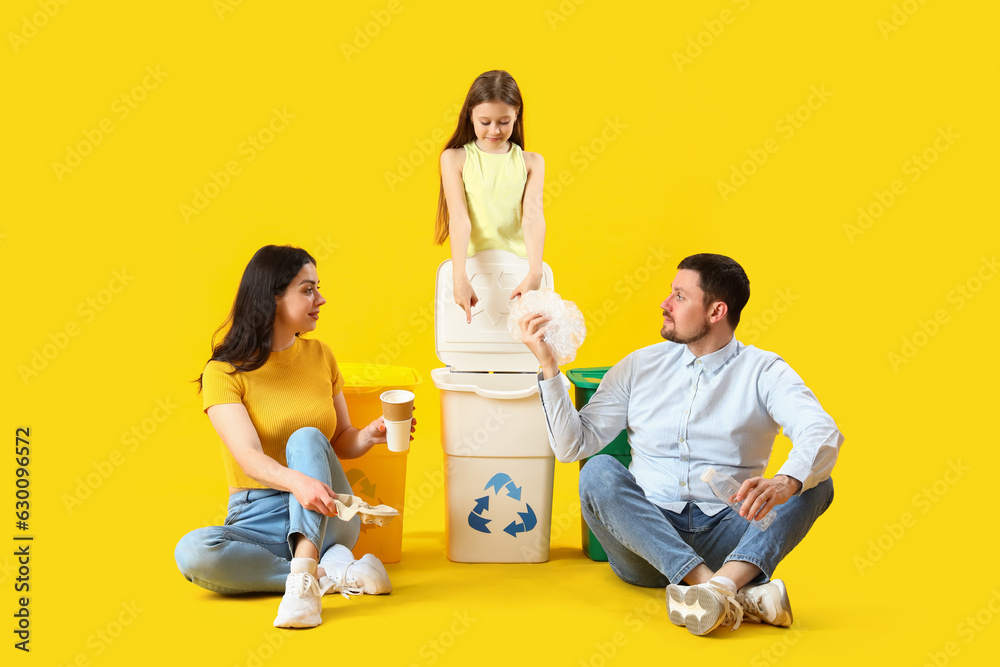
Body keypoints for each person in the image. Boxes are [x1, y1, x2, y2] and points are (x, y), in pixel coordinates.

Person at [518, 253, 842, 636]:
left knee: (814, 481)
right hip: (645, 543)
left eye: (680, 296)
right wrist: (548, 366)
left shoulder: (764, 371)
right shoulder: (640, 366)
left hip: (730, 534)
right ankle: (724, 589)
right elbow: (573, 446)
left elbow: (819, 430)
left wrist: (785, 481)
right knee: (599, 471)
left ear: (716, 311)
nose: (664, 304)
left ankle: (714, 590)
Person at [174, 245, 415, 629]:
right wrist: (295, 482)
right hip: (258, 517)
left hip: (328, 510)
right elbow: (249, 457)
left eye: (318, 288)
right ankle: (335, 574)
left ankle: (304, 575)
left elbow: (338, 441)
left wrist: (369, 436)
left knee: (306, 437)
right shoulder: (223, 374)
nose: (320, 299)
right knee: (193, 553)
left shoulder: (321, 356)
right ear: (272, 297)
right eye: (307, 289)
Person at [435, 69, 547, 323]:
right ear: (470, 117)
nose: (494, 130)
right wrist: (459, 274)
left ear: (516, 115)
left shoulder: (532, 162)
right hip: (472, 272)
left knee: (519, 359)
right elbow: (460, 218)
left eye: (504, 121)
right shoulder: (455, 158)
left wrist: (535, 271)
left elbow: (532, 216)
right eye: (485, 122)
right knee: (468, 355)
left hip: (518, 272)